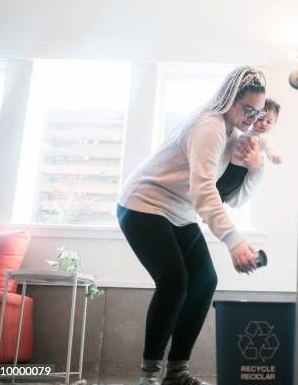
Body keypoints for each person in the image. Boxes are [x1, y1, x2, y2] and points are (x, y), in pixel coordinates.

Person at [116, 66, 268, 385]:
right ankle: (150, 375)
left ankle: (176, 372)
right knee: (174, 282)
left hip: (179, 211)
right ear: (230, 99)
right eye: (247, 109)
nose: (252, 118)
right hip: (145, 203)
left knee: (204, 281)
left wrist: (255, 169)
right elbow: (203, 192)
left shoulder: (234, 135)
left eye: (258, 112)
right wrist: (234, 241)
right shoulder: (210, 127)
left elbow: (230, 198)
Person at [231, 98, 282, 166]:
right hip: (231, 162)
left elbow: (270, 149)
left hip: (244, 168)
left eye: (269, 122)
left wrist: (275, 157)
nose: (263, 123)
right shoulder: (247, 131)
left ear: (274, 124)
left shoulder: (265, 138)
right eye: (260, 119)